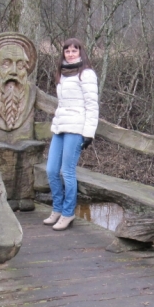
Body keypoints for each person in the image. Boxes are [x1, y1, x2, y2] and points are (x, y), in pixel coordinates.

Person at [44, 38, 99, 231]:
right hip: (60, 127)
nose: (70, 53)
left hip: (76, 128)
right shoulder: (62, 74)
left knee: (66, 172)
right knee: (51, 170)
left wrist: (88, 133)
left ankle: (68, 213)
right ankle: (57, 209)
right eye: (67, 51)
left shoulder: (86, 74)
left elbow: (92, 105)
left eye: (74, 50)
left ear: (81, 52)